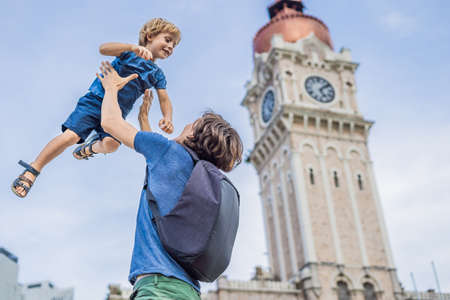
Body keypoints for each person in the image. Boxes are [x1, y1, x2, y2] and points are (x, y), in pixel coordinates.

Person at [97, 61, 243, 300]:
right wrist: (145, 123)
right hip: (188, 291)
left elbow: (110, 123)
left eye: (191, 123)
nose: (185, 124)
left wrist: (111, 88)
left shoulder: (168, 154)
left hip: (158, 289)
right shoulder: (199, 177)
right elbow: (157, 177)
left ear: (194, 132)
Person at [12, 18, 180, 198]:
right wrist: (131, 47)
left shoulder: (157, 74)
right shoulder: (130, 54)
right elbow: (103, 49)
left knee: (112, 144)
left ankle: (89, 149)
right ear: (149, 36)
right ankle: (34, 168)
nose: (171, 47)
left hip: (115, 113)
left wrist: (167, 117)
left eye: (174, 45)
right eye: (168, 40)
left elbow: (164, 98)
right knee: (71, 136)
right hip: (95, 101)